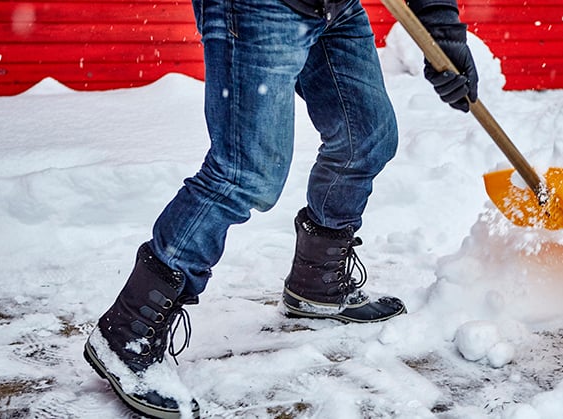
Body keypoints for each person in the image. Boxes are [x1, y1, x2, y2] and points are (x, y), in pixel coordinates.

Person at [82, 0, 478, 416]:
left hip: (335, 7)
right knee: (244, 172)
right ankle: (128, 329)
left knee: (366, 137)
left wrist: (441, 29)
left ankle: (317, 283)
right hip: (259, 8)